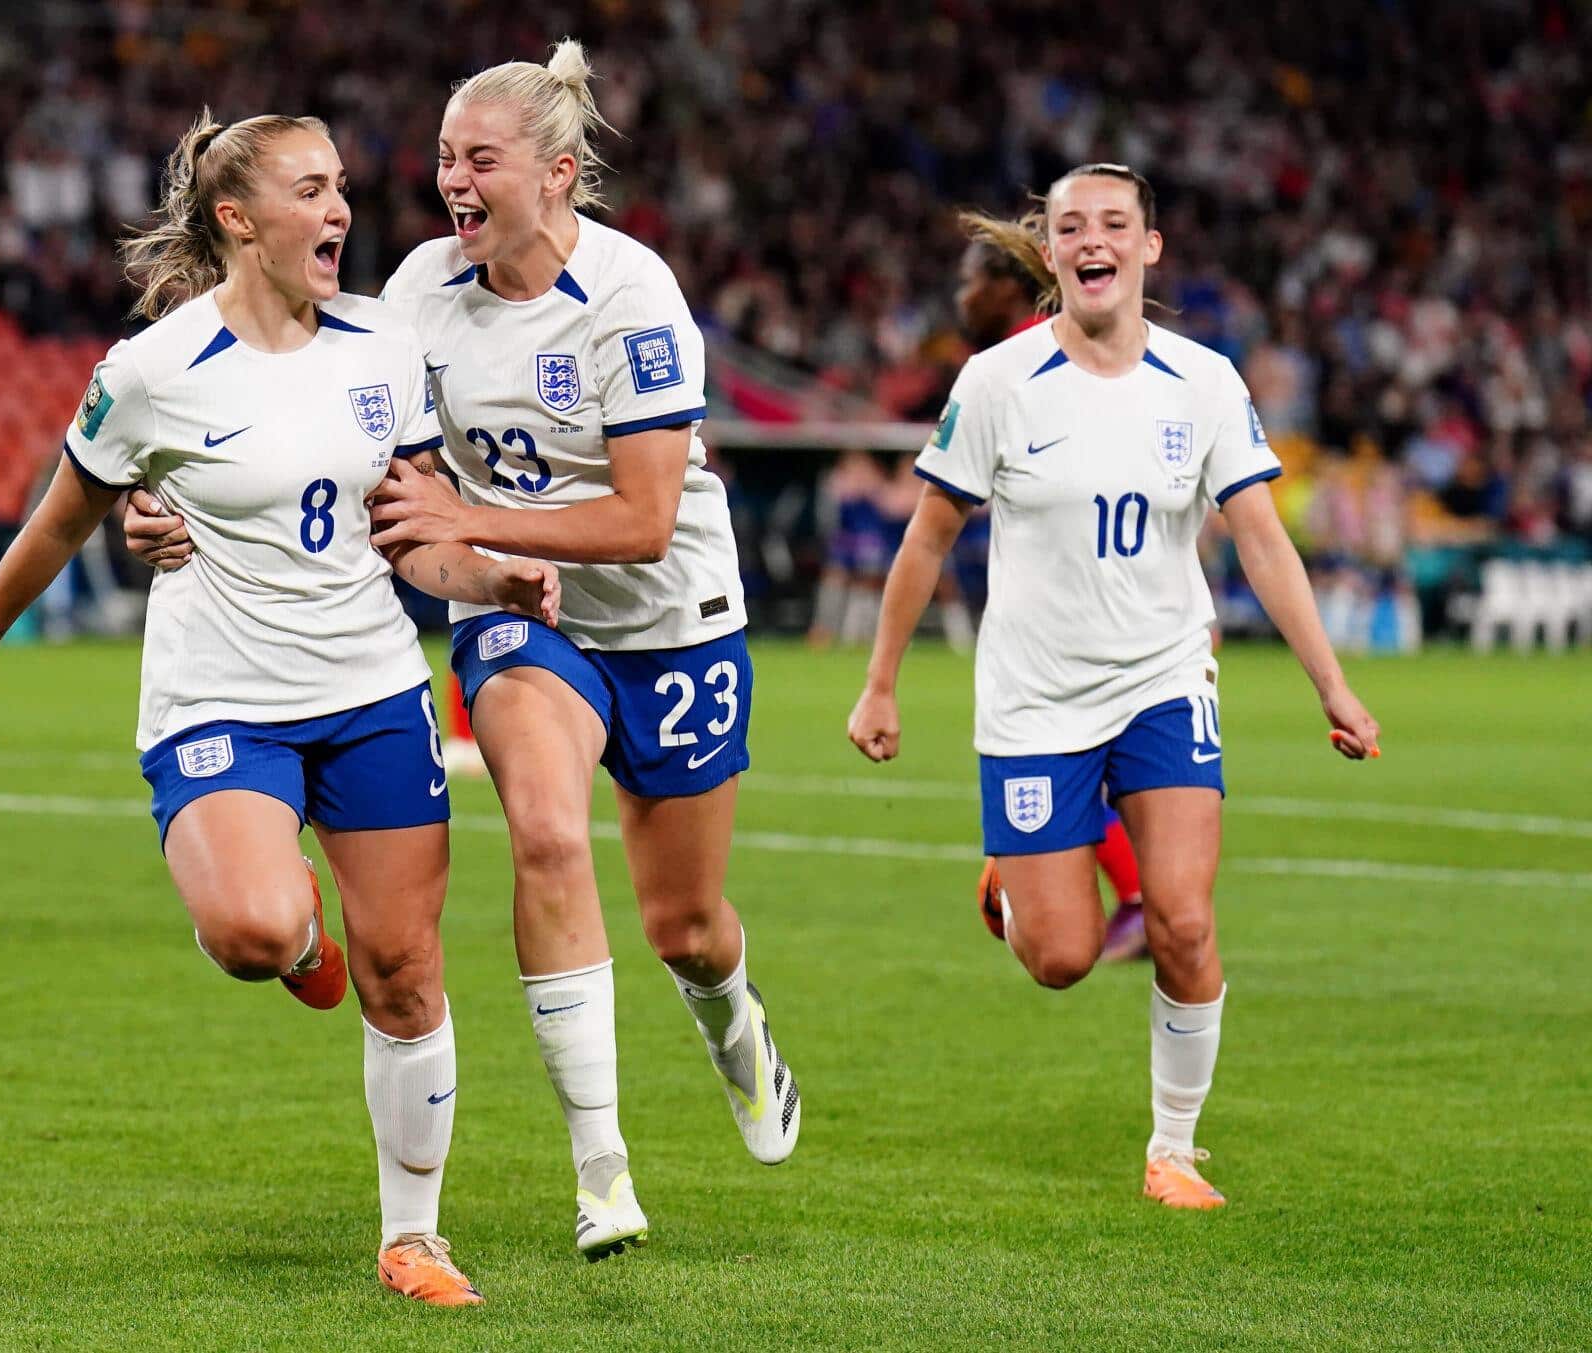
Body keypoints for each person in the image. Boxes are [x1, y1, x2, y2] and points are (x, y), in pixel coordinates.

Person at [125, 42, 800, 1263]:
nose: (451, 180)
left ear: (553, 174)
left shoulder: (636, 302)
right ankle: (601, 1171)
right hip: (518, 615)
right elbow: (292, 405)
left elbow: (645, 524)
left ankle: (730, 1018)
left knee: (684, 922)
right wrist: (165, 500)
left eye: (477, 158)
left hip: (667, 617)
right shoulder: (418, 296)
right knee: (543, 831)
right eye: (442, 158)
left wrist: (464, 516)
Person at [0, 110, 564, 1306]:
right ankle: (298, 938)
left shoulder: (381, 345)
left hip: (371, 691)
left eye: (340, 189)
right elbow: (60, 519)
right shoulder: (152, 373)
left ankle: (411, 1238)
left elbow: (415, 538)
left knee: (406, 970)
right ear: (237, 221)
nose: (340, 213)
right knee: (255, 934)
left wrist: (491, 575)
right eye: (311, 192)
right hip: (219, 696)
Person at [846, 164, 1380, 1210]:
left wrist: (1332, 686)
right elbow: (925, 540)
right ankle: (1010, 885)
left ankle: (1170, 1150)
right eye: (1068, 227)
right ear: (1048, 253)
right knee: (1060, 959)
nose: (1090, 241)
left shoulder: (1204, 382)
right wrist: (878, 685)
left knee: (1180, 918)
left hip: (1162, 680)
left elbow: (1261, 544)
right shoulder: (997, 385)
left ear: (1147, 248)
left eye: (1113, 225)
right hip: (1034, 702)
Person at [954, 231, 1150, 962]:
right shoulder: (1040, 357)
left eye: (971, 278)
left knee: (1079, 758)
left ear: (1007, 287)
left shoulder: (1036, 359)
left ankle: (1138, 901)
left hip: (1083, 612)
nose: (960, 295)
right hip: (1093, 603)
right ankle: (1140, 899)